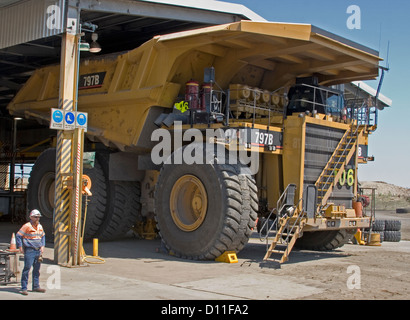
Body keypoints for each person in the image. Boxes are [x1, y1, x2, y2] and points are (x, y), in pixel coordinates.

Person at [16, 209, 46, 295]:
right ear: (31, 217)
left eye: (38, 217)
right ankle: (24, 288)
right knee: (27, 268)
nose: (37, 219)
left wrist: (42, 246)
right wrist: (20, 246)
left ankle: (36, 286)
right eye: (35, 217)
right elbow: (18, 235)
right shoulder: (27, 226)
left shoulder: (40, 226)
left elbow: (43, 236)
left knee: (36, 269)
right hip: (30, 250)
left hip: (38, 250)